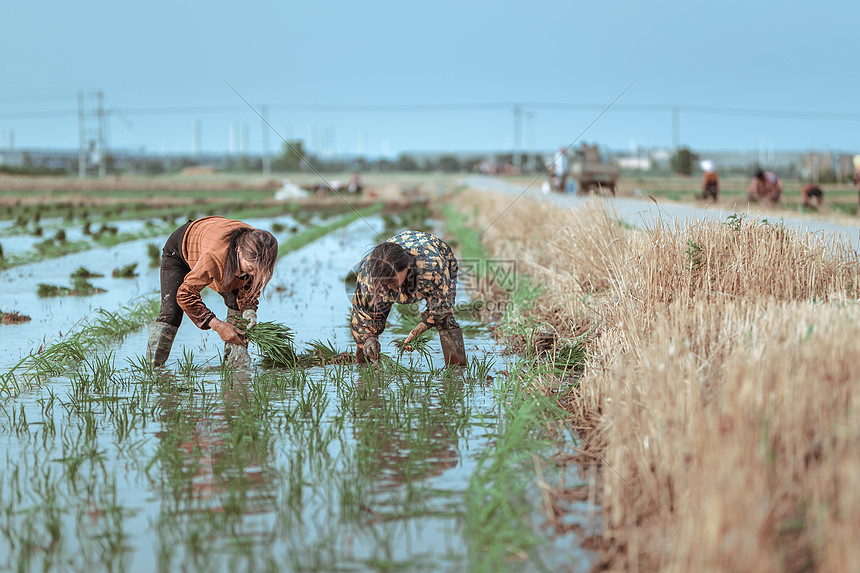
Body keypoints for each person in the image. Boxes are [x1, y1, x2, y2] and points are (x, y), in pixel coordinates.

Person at [146, 216, 278, 367]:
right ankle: (152, 369)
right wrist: (218, 325)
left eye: (258, 271)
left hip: (211, 240)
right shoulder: (216, 257)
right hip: (181, 250)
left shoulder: (260, 252)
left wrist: (249, 312)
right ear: (239, 250)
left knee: (237, 306)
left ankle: (235, 368)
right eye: (250, 268)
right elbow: (185, 295)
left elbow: (249, 289)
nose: (254, 274)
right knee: (171, 313)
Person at [349, 230, 467, 367]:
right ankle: (364, 368)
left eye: (392, 281)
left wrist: (421, 327)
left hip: (439, 258)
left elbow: (442, 305)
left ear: (408, 266)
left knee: (445, 319)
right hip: (388, 273)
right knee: (371, 320)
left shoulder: (432, 268)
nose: (389, 287)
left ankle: (457, 370)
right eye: (383, 283)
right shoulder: (368, 274)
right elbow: (360, 312)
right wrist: (368, 338)